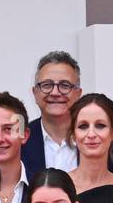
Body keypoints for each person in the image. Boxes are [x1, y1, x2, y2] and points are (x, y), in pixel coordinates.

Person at [24, 51, 83, 179]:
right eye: (47, 85)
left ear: (78, 93)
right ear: (35, 93)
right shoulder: (20, 140)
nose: (55, 93)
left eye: (65, 85)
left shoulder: (97, 139)